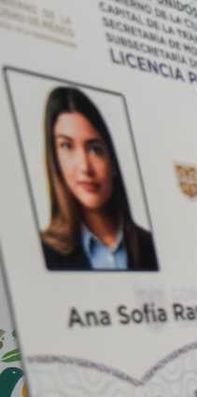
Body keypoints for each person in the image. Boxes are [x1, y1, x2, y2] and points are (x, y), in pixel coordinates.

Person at [40, 86, 157, 271]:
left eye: (95, 149)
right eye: (67, 146)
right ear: (55, 159)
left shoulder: (150, 247)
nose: (85, 167)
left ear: (113, 161)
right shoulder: (43, 253)